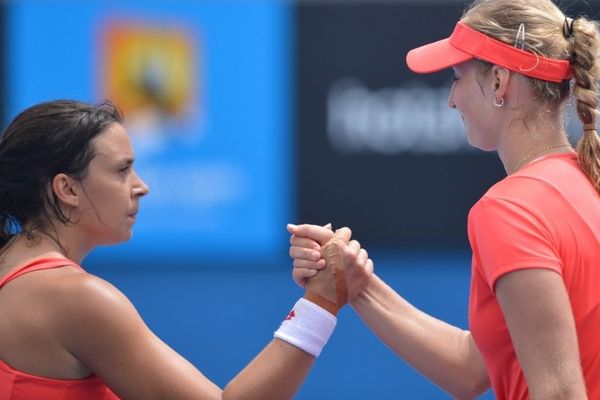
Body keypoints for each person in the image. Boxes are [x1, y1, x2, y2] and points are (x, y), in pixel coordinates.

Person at [288, 0, 600, 399]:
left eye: (457, 77)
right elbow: (472, 369)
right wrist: (357, 284)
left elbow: (558, 392)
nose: (451, 99)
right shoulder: (588, 182)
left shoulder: (509, 210)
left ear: (499, 83)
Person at [0, 99, 358, 400]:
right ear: (67, 189)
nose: (141, 187)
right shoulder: (77, 299)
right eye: (122, 170)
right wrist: (322, 301)